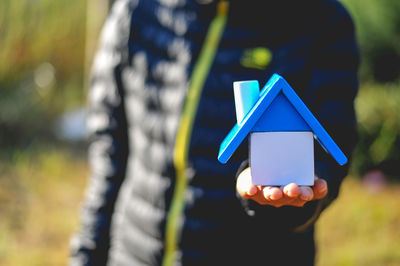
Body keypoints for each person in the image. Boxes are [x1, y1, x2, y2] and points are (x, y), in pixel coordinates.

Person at [70, 0, 359, 265]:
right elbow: (109, 152)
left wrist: (287, 199)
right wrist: (87, 254)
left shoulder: (322, 21)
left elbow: (328, 150)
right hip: (132, 253)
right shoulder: (137, 8)